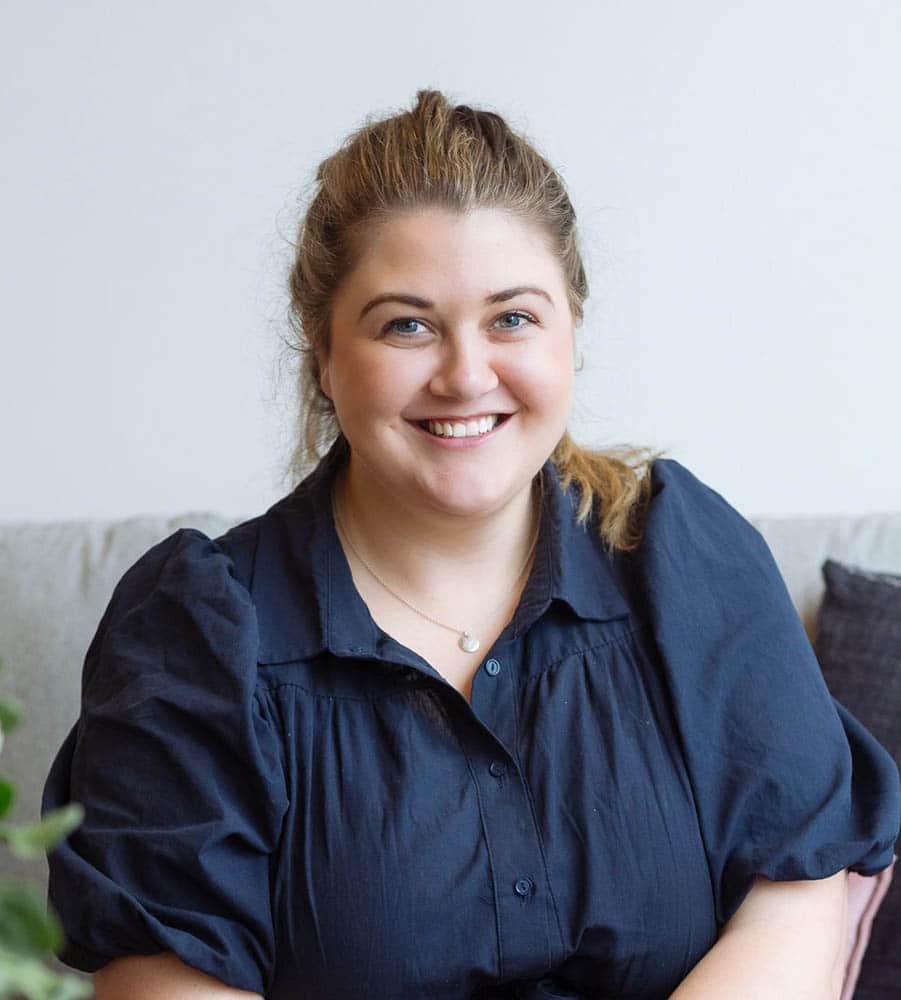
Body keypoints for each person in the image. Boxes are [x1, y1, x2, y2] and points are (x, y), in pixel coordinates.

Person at [42, 89, 900, 1000]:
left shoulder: (679, 555)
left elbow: (794, 898)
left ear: (571, 330)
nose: (464, 373)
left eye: (512, 318)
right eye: (405, 324)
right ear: (324, 355)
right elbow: (162, 982)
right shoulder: (196, 632)